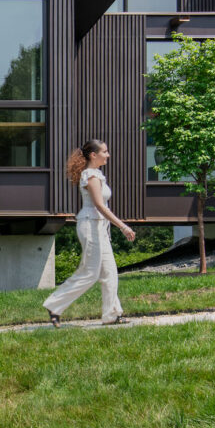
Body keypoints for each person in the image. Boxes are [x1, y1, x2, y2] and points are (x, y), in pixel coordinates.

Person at [43, 139, 136, 327]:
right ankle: (54, 304)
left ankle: (111, 315)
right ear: (94, 155)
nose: (108, 155)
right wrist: (123, 226)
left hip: (99, 227)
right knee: (90, 273)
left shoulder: (97, 174)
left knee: (110, 272)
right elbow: (100, 206)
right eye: (105, 151)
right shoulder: (91, 176)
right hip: (90, 226)